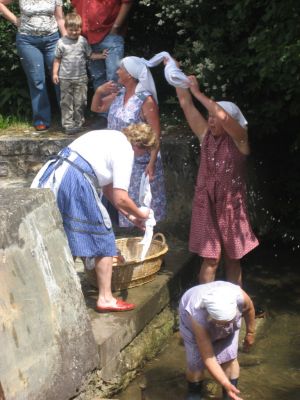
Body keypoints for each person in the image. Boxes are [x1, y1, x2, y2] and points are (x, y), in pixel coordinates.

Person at [31, 123, 157, 312]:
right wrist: (142, 214)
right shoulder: (125, 150)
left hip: (59, 174)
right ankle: (105, 298)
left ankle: (58, 292)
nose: (143, 157)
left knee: (67, 234)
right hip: (75, 179)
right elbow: (121, 196)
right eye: (145, 153)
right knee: (103, 235)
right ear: (141, 146)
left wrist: (131, 217)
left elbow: (107, 190)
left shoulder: (111, 137)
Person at [175, 75, 259, 286]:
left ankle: (234, 305)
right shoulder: (205, 136)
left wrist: (198, 93)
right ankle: (204, 307)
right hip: (206, 204)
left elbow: (224, 117)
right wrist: (175, 74)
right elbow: (186, 105)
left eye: (214, 116)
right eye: (208, 116)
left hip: (231, 206)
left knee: (233, 258)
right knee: (210, 259)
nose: (210, 120)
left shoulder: (240, 141)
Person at [91, 56, 167, 227]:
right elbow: (97, 108)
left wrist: (152, 162)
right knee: (119, 197)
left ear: (131, 75)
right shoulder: (119, 94)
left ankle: (146, 239)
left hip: (140, 162)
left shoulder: (145, 100)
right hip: (117, 157)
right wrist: (98, 92)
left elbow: (155, 133)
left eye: (121, 69)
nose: (117, 72)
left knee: (141, 201)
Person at [179, 281, 255, 400]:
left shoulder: (239, 296)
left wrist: (250, 333)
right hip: (193, 318)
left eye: (228, 323)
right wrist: (224, 382)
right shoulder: (197, 316)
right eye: (221, 324)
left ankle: (229, 395)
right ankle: (194, 395)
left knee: (229, 357)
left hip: (221, 313)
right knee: (196, 363)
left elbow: (249, 309)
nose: (225, 328)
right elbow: (208, 357)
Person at [0, 0, 66, 131]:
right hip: (27, 41)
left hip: (52, 40)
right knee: (37, 80)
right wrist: (15, 20)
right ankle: (41, 119)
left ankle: (68, 117)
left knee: (61, 77)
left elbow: (59, 18)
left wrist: (66, 40)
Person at [52, 12, 108, 135]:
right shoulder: (61, 42)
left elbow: (90, 55)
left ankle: (78, 123)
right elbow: (57, 59)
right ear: (66, 28)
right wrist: (55, 74)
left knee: (81, 102)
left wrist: (101, 56)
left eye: (77, 29)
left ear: (80, 28)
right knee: (66, 102)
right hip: (65, 78)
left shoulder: (83, 41)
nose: (74, 32)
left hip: (81, 78)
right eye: (71, 30)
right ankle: (68, 125)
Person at [71, 0, 133, 93]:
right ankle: (102, 107)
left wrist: (115, 27)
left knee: (114, 78)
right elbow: (76, 6)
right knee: (98, 79)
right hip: (88, 38)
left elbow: (127, 2)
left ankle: (116, 107)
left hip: (109, 35)